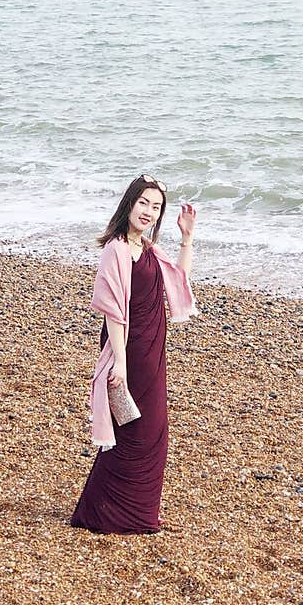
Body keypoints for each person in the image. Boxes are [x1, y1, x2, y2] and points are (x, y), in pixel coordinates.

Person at [70, 174, 198, 534]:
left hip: (153, 348)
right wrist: (121, 365)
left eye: (156, 207)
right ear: (129, 203)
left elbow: (178, 281)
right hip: (130, 350)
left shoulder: (149, 250)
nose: (149, 211)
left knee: (154, 431)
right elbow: (113, 310)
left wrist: (187, 238)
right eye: (144, 203)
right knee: (135, 431)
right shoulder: (117, 249)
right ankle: (106, 514)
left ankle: (134, 513)